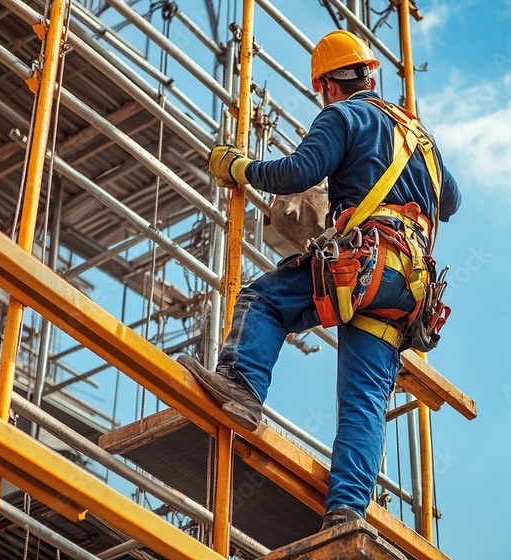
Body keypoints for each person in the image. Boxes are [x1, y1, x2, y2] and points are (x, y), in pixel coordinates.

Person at [179, 29, 461, 530]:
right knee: (365, 401)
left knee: (263, 301)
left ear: (328, 85)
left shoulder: (344, 114)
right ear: (370, 74)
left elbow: (297, 172)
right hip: (409, 288)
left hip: (364, 265)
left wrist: (239, 167)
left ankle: (241, 389)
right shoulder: (420, 138)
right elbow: (451, 202)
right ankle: (347, 513)